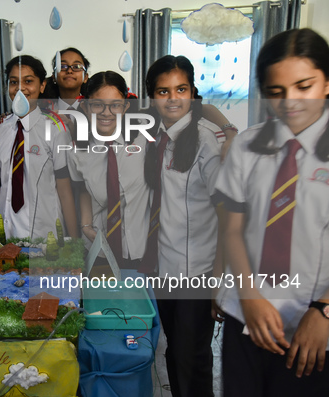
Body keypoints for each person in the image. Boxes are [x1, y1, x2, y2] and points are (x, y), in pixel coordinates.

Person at [215, 28, 329, 396]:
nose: (290, 102)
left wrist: (324, 312)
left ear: (327, 83)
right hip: (246, 314)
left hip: (312, 327)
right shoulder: (249, 145)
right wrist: (248, 297)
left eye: (304, 86)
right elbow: (232, 228)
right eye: (275, 91)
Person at [144, 55, 225, 397]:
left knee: (191, 357)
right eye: (163, 91)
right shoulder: (154, 137)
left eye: (181, 89)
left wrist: (220, 277)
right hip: (165, 266)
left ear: (193, 93)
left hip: (199, 269)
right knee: (174, 351)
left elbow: (228, 214)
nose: (173, 98)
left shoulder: (208, 141)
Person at [69, 71, 149, 272]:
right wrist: (85, 227)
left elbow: (196, 109)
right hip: (101, 252)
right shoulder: (77, 151)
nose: (107, 112)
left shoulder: (144, 137)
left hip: (142, 251)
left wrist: (228, 130)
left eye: (115, 104)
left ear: (125, 106)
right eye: (98, 104)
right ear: (86, 107)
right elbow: (83, 189)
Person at [0, 55, 78, 240]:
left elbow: (65, 190)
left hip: (45, 233)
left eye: (28, 81)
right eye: (13, 82)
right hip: (6, 233)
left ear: (41, 86)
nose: (20, 88)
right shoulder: (0, 128)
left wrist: (74, 244)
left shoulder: (55, 129)